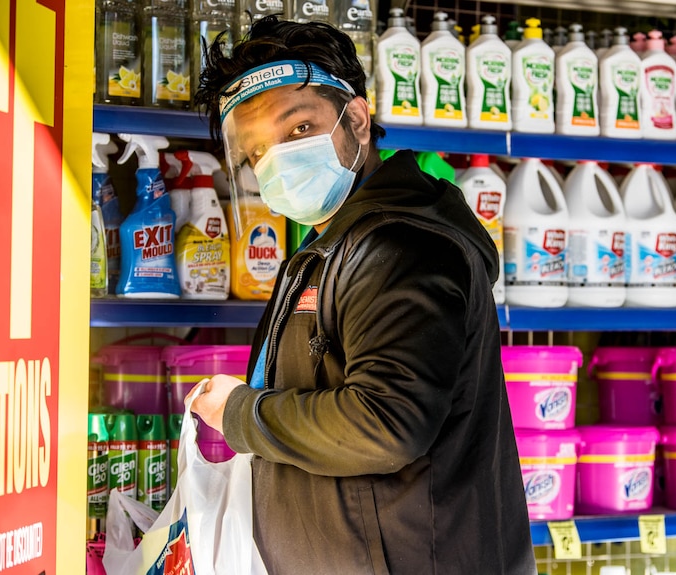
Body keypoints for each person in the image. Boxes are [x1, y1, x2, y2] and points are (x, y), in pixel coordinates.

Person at [188, 15, 536, 575]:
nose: (275, 160)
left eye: (298, 129)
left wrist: (240, 413)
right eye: (255, 152)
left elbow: (386, 423)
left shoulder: (402, 246)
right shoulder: (338, 242)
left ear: (357, 118)